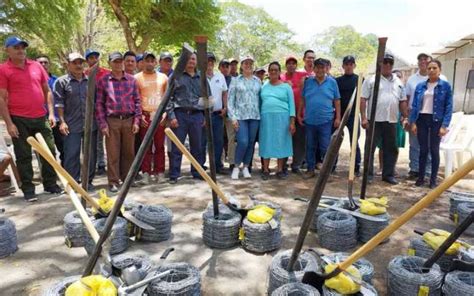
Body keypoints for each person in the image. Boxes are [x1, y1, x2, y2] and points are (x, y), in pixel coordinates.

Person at [0, 36, 62, 201]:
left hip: (40, 116)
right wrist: (9, 123)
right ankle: (28, 189)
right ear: (8, 50)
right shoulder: (3, 69)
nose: (20, 50)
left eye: (22, 47)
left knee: (49, 152)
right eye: (16, 47)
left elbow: (47, 90)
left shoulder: (36, 66)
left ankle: (50, 185)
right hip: (18, 118)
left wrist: (50, 113)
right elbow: (1, 98)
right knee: (24, 155)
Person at [95, 52, 142, 193]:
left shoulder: (131, 80)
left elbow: (137, 101)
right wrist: (103, 124)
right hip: (112, 121)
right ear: (110, 63)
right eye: (115, 61)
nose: (118, 64)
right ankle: (113, 181)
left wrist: (137, 121)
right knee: (113, 153)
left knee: (129, 152)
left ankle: (128, 179)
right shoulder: (103, 81)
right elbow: (99, 104)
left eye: (120, 61)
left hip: (129, 120)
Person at [361, 54, 408, 185]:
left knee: (391, 148)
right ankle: (368, 175)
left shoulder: (398, 82)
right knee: (369, 148)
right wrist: (364, 118)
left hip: (391, 120)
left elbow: (403, 101)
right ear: (380, 64)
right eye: (385, 62)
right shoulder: (371, 80)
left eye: (390, 63)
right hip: (374, 120)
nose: (387, 65)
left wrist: (405, 116)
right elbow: (363, 99)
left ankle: (388, 175)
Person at [54, 53, 97, 190]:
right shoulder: (61, 82)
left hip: (90, 124)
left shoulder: (90, 80)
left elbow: (96, 101)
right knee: (71, 153)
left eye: (80, 62)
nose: (78, 65)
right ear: (68, 64)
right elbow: (59, 103)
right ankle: (73, 183)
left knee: (90, 154)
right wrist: (62, 122)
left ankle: (87, 181)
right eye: (75, 63)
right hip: (71, 124)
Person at [409, 60, 452, 188]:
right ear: (426, 70)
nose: (431, 70)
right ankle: (421, 178)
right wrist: (413, 122)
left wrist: (444, 125)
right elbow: (415, 105)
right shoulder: (420, 86)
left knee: (434, 150)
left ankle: (433, 180)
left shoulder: (445, 86)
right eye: (429, 68)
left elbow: (449, 106)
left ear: (440, 70)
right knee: (423, 150)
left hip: (436, 120)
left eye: (434, 68)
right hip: (422, 119)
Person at [298, 58, 341, 179]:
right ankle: (310, 170)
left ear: (326, 68)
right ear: (314, 69)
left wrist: (338, 117)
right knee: (310, 146)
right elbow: (302, 99)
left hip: (326, 121)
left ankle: (327, 173)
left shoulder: (332, 82)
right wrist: (299, 114)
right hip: (310, 120)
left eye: (322, 67)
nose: (320, 70)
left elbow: (337, 100)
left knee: (325, 147)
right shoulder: (308, 82)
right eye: (317, 67)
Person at [166, 53, 205, 184]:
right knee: (177, 146)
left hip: (197, 115)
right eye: (188, 59)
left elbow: (207, 98)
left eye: (193, 59)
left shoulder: (202, 77)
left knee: (197, 146)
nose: (191, 61)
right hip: (180, 115)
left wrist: (206, 116)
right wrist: (171, 116)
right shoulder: (176, 76)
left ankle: (197, 172)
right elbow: (168, 98)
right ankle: (174, 174)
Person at [135, 52, 168, 184]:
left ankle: (160, 172)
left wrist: (165, 113)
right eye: (146, 60)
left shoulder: (163, 77)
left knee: (159, 145)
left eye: (151, 61)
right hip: (145, 115)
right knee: (146, 145)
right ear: (142, 62)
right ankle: (146, 173)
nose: (149, 63)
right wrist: (140, 115)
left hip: (159, 115)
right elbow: (135, 99)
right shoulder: (136, 78)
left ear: (155, 63)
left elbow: (167, 97)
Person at [259, 62, 295, 180]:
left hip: (282, 118)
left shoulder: (286, 87)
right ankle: (265, 169)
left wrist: (292, 122)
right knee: (266, 141)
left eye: (276, 70)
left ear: (280, 72)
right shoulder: (264, 85)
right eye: (271, 70)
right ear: (268, 72)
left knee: (281, 142)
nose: (273, 72)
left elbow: (292, 105)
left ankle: (279, 170)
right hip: (266, 118)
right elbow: (260, 103)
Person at [227, 55, 261, 180]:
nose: (248, 65)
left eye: (250, 63)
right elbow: (230, 101)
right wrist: (233, 118)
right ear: (241, 66)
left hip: (255, 116)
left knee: (251, 143)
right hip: (240, 116)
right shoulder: (235, 80)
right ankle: (236, 166)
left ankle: (246, 166)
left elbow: (260, 99)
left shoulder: (258, 81)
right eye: (245, 63)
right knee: (243, 141)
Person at [202, 52, 228, 174]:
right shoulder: (199, 77)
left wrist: (225, 107)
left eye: (212, 61)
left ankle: (217, 166)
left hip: (218, 114)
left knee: (218, 141)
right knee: (202, 141)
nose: (210, 64)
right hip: (203, 115)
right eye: (207, 61)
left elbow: (224, 93)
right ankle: (200, 167)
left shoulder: (220, 76)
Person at [85, 49, 110, 176]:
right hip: (92, 113)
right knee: (95, 140)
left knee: (107, 140)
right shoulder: (85, 75)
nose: (94, 60)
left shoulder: (107, 73)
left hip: (108, 111)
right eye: (91, 58)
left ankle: (104, 163)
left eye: (96, 57)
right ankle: (98, 164)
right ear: (87, 60)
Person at [335, 55, 361, 175]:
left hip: (354, 116)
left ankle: (355, 166)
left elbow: (363, 99)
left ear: (354, 66)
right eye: (347, 64)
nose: (349, 66)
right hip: (340, 115)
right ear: (343, 66)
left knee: (354, 141)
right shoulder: (337, 81)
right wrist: (337, 117)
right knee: (335, 141)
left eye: (351, 64)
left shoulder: (360, 79)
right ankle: (332, 165)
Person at [280, 56, 306, 174]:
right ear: (286, 65)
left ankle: (296, 164)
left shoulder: (302, 75)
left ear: (296, 65)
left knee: (299, 139)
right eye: (289, 63)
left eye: (293, 63)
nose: (291, 65)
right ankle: (283, 163)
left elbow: (314, 76)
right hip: (285, 113)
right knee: (285, 138)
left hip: (299, 112)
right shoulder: (282, 77)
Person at [36, 55, 64, 164]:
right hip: (40, 120)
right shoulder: (32, 80)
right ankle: (48, 174)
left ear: (49, 64)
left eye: (45, 62)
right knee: (44, 149)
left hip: (57, 120)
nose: (43, 65)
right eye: (40, 63)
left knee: (63, 147)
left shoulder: (57, 80)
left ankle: (66, 172)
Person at [220, 59, 236, 170]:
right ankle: (219, 161)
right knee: (219, 138)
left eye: (227, 66)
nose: (225, 68)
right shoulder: (216, 78)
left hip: (231, 114)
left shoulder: (234, 81)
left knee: (232, 138)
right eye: (223, 66)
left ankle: (232, 161)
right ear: (219, 68)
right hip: (219, 113)